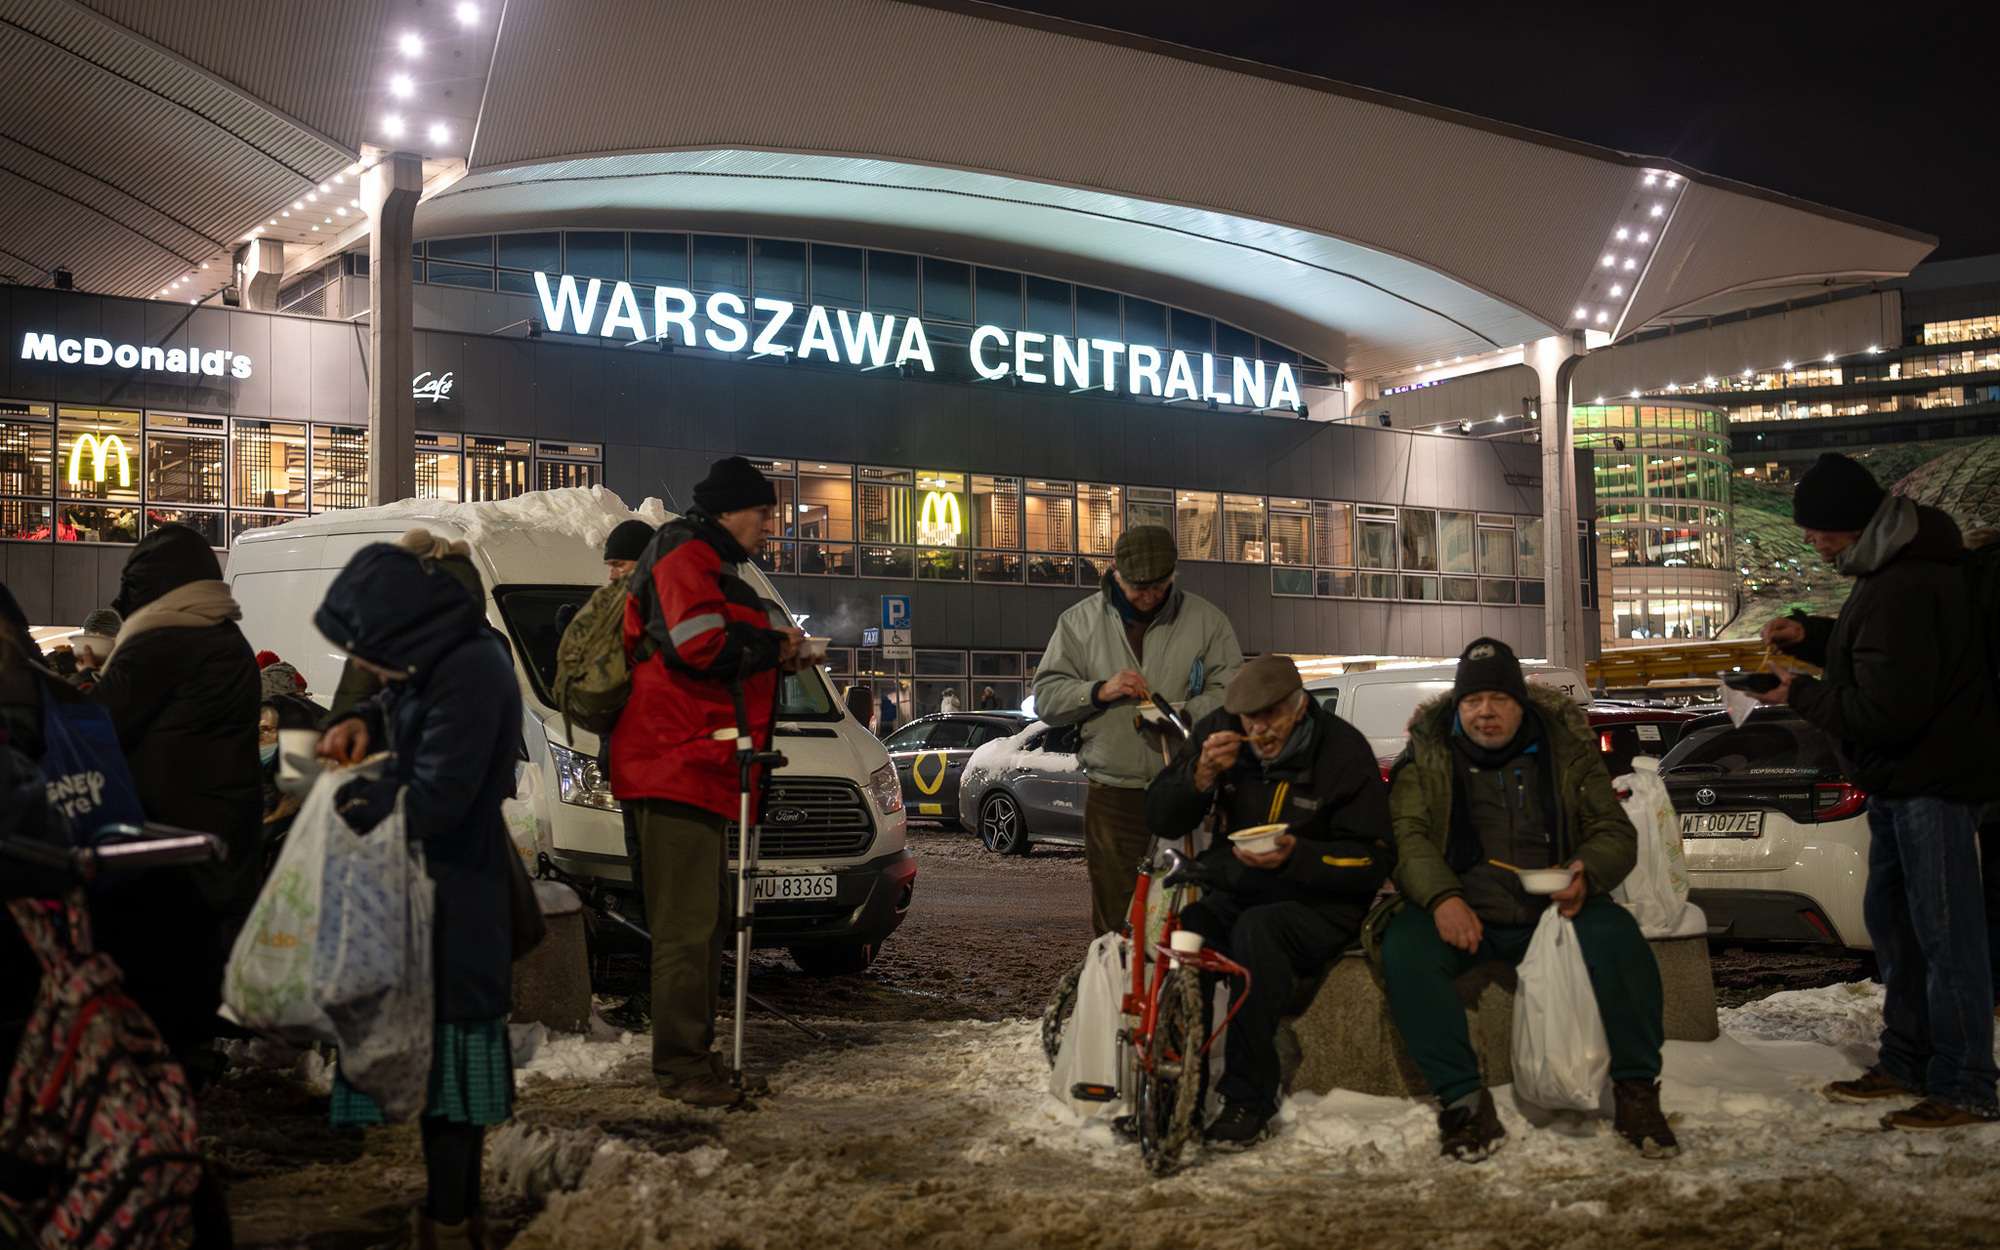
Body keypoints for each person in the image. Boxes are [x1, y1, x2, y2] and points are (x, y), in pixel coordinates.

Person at [1756, 454, 1999, 1127]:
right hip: (1907, 784)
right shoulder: (1892, 569)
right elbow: (1882, 657)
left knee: (1945, 937)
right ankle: (1911, 1060)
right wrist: (1814, 636)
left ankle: (1965, 1082)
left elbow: (1888, 711)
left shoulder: (1902, 581)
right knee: (1902, 930)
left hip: (1933, 785)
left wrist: (1797, 692)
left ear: (1849, 523)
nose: (1810, 540)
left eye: (1818, 529)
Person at [1374, 637, 1675, 1162]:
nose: (1484, 712)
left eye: (1499, 699)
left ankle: (1637, 1091)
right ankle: (1464, 1102)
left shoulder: (1566, 750)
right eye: (1472, 701)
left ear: (1522, 703)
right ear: (1458, 705)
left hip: (1557, 905)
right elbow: (1409, 836)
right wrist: (1442, 897)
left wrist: (1585, 871)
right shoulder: (1428, 754)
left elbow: (1611, 830)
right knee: (1404, 951)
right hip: (1465, 908)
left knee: (1620, 941)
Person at [314, 542, 522, 1247]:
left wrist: (359, 800)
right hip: (434, 890)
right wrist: (364, 720)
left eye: (369, 647)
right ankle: (450, 1216)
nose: (365, 663)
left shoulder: (471, 669)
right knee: (443, 1067)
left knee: (451, 1072)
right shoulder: (437, 656)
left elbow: (440, 798)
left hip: (458, 894)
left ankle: (450, 1220)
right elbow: (398, 699)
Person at [612, 456, 805, 1107]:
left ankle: (693, 1055)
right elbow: (698, 645)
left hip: (690, 765)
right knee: (689, 927)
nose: (770, 527)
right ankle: (683, 1068)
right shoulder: (687, 553)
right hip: (674, 763)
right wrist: (772, 647)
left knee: (706, 919)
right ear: (729, 510)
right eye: (763, 514)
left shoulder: (705, 559)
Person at [1144, 655, 1393, 1146]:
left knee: (1257, 934)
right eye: (1247, 719)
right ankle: (1176, 1089)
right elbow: (1160, 817)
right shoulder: (1220, 731)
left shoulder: (1342, 751)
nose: (1257, 728)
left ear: (1299, 705)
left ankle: (1247, 1100)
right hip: (1237, 886)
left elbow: (1374, 859)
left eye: (1270, 716)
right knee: (1189, 928)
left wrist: (1299, 856)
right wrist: (1199, 773)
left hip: (1322, 903)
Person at [84, 525, 262, 1062]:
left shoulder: (167, 638)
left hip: (169, 842)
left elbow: (98, 724)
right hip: (217, 829)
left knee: (165, 961)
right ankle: (192, 1055)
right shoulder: (222, 636)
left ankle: (169, 1076)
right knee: (197, 958)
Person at [1033, 525, 1243, 936]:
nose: (1149, 596)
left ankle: (1177, 997)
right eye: (1138, 587)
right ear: (1114, 571)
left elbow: (1233, 693)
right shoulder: (1078, 624)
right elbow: (1046, 699)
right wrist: (1098, 691)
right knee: (1117, 920)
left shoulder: (1207, 621)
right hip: (1114, 796)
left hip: (1190, 789)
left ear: (1174, 574)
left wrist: (1182, 713)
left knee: (1189, 912)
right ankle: (1122, 996)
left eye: (1159, 586)